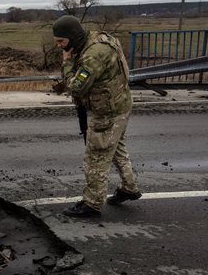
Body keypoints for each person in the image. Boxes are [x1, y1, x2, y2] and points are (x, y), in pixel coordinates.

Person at [52, 15, 142, 218]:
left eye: (61, 42)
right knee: (116, 148)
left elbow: (76, 86)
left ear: (72, 36)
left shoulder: (93, 55)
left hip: (108, 112)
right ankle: (129, 187)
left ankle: (92, 204)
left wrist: (66, 63)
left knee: (96, 157)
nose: (60, 46)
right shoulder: (99, 38)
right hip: (121, 103)